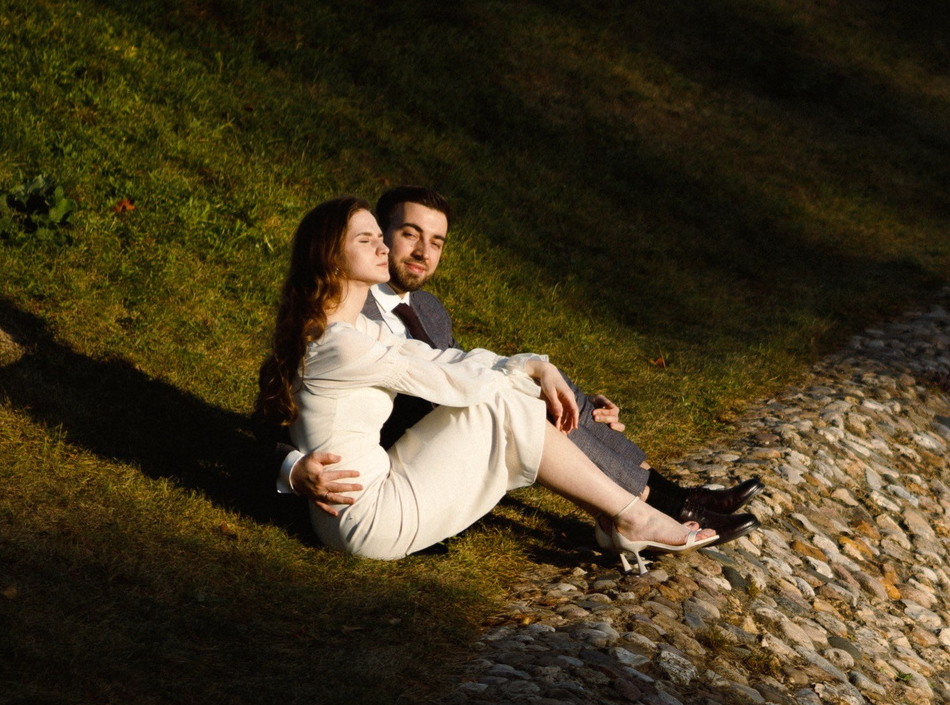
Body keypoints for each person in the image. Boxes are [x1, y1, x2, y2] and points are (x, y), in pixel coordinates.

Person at [254, 196, 721, 566]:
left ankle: (623, 515)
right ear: (330, 255)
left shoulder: (349, 330)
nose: (383, 248)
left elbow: (440, 357)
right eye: (366, 240)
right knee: (503, 398)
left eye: (381, 237)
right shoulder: (343, 344)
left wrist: (535, 367)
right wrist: (530, 369)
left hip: (369, 492)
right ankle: (629, 517)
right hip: (364, 518)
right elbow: (451, 377)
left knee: (506, 392)